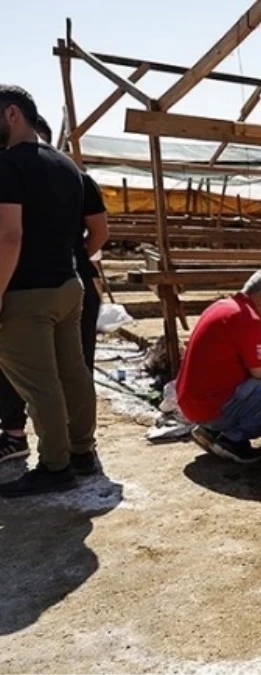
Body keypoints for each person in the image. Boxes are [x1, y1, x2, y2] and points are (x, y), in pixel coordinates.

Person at [0, 86, 101, 496]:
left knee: (38, 383)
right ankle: (83, 452)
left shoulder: (7, 166)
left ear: (11, 114)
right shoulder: (66, 166)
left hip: (26, 292)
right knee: (73, 373)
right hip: (67, 285)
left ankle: (55, 466)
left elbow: (9, 238)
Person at [177, 268, 261, 464]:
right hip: (211, 406)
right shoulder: (248, 319)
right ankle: (232, 438)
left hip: (192, 402)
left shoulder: (222, 306)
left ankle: (213, 430)